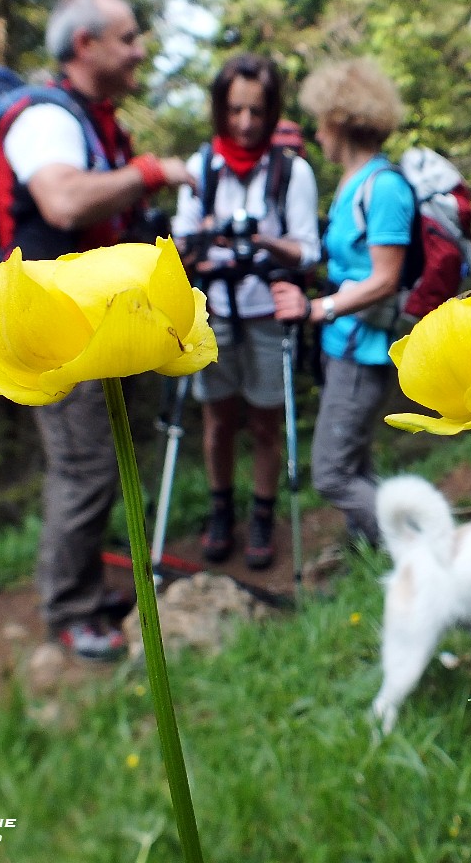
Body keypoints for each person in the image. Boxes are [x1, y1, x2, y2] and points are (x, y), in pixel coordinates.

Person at [0, 0, 196, 661]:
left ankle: (81, 592)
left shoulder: (87, 118)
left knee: (98, 463)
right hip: (59, 329)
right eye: (129, 37)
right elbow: (63, 200)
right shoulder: (46, 118)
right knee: (83, 468)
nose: (140, 51)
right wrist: (150, 173)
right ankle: (70, 610)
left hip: (91, 323)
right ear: (85, 45)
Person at [171, 55, 320, 569]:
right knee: (217, 419)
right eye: (234, 110)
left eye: (256, 111)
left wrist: (260, 241)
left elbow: (308, 249)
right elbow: (178, 246)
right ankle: (220, 510)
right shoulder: (201, 167)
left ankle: (261, 514)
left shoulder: (290, 171)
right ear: (219, 109)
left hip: (265, 312)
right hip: (214, 314)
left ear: (272, 110)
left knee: (264, 422)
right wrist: (206, 239)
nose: (245, 123)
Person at [271, 58, 413, 548]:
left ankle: (416, 545)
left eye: (319, 121)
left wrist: (317, 309)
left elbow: (385, 279)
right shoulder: (354, 185)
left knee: (331, 474)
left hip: (363, 348)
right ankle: (372, 553)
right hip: (343, 344)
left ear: (337, 121)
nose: (316, 133)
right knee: (356, 463)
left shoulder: (384, 187)